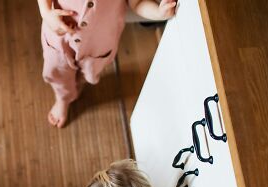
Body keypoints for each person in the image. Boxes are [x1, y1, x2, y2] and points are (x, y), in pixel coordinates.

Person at [38, 0, 176, 128]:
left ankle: (79, 81)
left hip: (99, 43)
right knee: (58, 71)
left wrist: (159, 12)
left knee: (90, 70)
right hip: (59, 37)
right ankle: (63, 97)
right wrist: (46, 13)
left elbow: (137, 2)